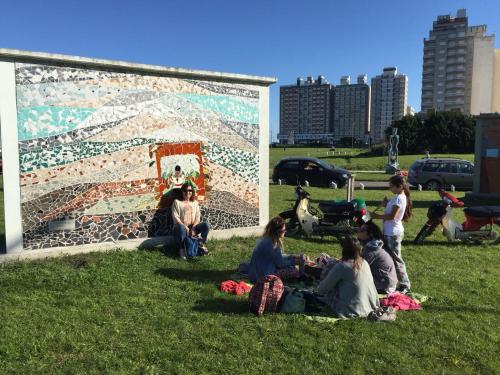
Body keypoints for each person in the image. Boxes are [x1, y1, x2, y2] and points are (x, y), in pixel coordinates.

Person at [316, 237, 379, 318]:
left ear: (344, 250)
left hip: (348, 310)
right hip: (368, 309)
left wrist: (328, 267)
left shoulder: (342, 266)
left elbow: (321, 290)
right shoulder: (364, 262)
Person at [370, 175, 412, 293]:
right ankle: (391, 282)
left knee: (396, 259)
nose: (390, 188)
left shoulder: (399, 198)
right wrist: (385, 204)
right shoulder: (397, 197)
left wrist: (376, 216)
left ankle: (405, 284)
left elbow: (392, 216)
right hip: (389, 232)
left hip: (393, 233)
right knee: (389, 258)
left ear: (399, 186)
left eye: (391, 186)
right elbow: (391, 209)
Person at [247, 217, 306, 283]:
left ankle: (300, 275)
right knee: (294, 270)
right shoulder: (273, 244)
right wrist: (295, 261)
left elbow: (278, 257)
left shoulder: (264, 240)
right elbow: (280, 264)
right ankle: (301, 276)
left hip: (253, 274)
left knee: (292, 266)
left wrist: (292, 256)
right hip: (264, 277)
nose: (285, 232)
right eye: (284, 230)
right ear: (278, 232)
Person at [357, 221, 397, 294]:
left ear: (370, 234)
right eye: (359, 229)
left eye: (362, 230)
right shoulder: (375, 243)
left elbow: (358, 267)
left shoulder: (371, 248)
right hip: (388, 283)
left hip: (384, 286)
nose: (358, 231)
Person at [172, 183, 210, 258]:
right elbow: (175, 216)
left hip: (193, 227)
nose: (187, 192)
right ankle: (182, 248)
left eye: (190, 190)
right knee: (180, 227)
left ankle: (201, 243)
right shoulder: (177, 202)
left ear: (192, 192)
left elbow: (197, 216)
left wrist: (193, 227)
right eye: (185, 190)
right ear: (182, 191)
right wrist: (185, 227)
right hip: (181, 228)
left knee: (206, 225)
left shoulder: (195, 203)